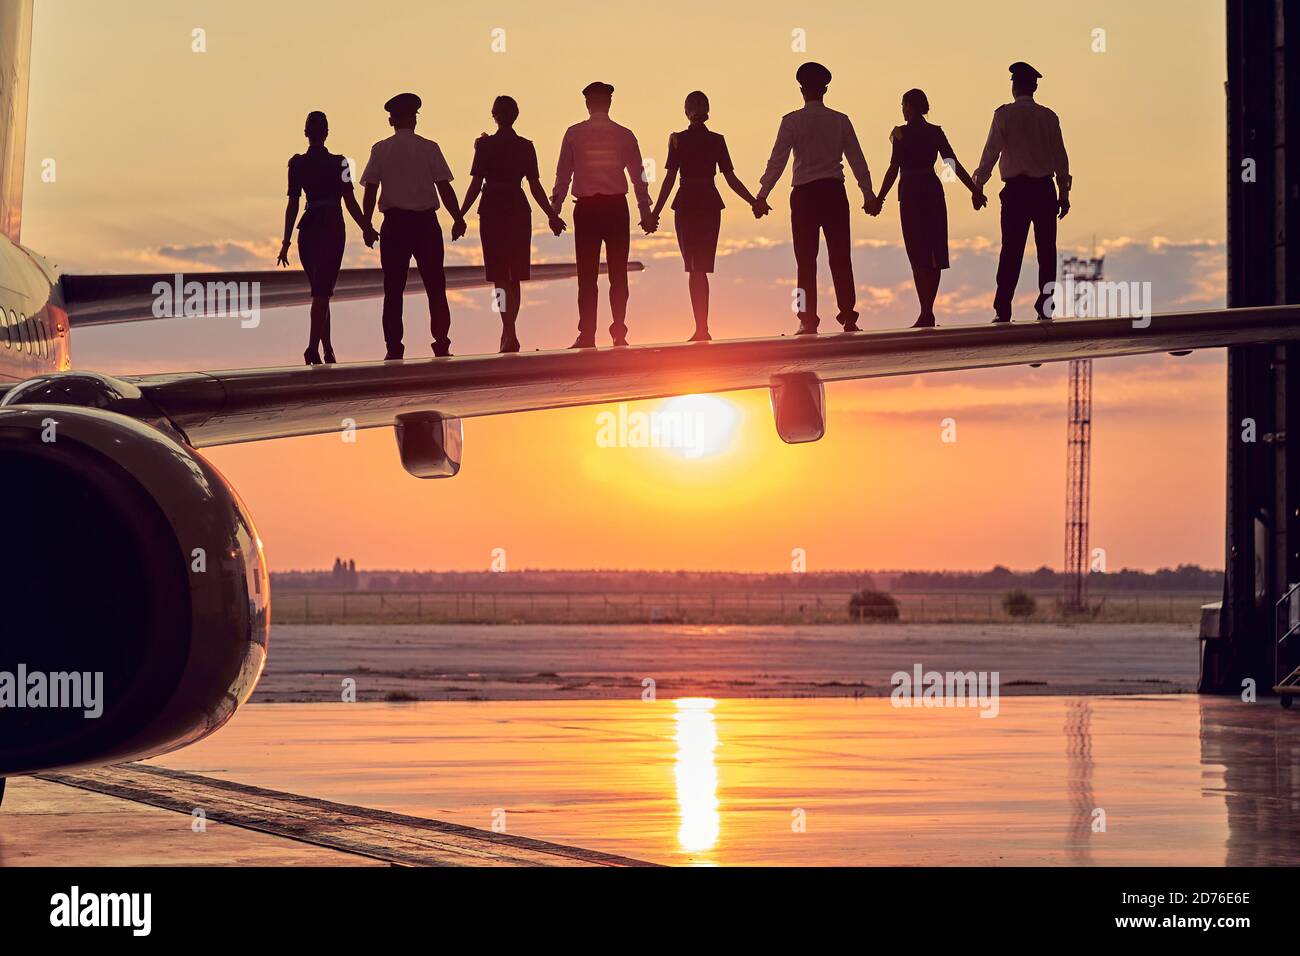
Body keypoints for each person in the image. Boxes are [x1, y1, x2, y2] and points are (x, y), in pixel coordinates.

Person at [755, 62, 876, 335]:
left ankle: (807, 318)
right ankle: (848, 315)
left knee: (805, 260)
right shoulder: (840, 120)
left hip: (804, 195)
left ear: (801, 90)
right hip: (834, 192)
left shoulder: (792, 121)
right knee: (840, 256)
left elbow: (777, 161)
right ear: (825, 89)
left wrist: (762, 195)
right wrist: (868, 194)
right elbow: (857, 159)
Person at [359, 92, 467, 359]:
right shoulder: (429, 148)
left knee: (393, 289)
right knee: (435, 286)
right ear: (414, 120)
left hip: (394, 225)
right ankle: (441, 342)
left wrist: (366, 224)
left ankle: (394, 347)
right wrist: (457, 217)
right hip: (425, 224)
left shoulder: (380, 149)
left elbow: (370, 189)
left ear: (391, 121)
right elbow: (444, 186)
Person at [551, 81, 656, 349]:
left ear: (587, 104)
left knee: (587, 275)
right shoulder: (625, 135)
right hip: (616, 209)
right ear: (609, 103)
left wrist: (555, 209)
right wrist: (646, 211)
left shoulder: (574, 134)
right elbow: (639, 177)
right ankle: (618, 330)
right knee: (618, 273)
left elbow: (563, 175)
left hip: (586, 210)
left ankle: (587, 334)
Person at [650, 91, 761, 342]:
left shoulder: (677, 139)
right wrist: (754, 201)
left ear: (686, 110)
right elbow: (730, 178)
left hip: (688, 201)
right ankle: (702, 327)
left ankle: (701, 328)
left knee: (694, 269)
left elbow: (669, 179)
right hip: (708, 202)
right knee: (699, 267)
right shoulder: (717, 140)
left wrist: (654, 214)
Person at [459, 96, 566, 353]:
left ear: (494, 115)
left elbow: (475, 185)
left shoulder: (484, 146)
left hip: (494, 207)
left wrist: (459, 214)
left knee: (499, 276)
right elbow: (535, 186)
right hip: (517, 207)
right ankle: (510, 331)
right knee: (514, 275)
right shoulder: (525, 146)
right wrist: (551, 214)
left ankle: (509, 330)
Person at [873, 89, 987, 328]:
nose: (902, 110)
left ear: (910, 107)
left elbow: (893, 169)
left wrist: (879, 199)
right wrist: (974, 190)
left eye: (903, 105)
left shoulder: (900, 133)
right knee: (934, 253)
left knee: (917, 252)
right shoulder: (935, 132)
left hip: (911, 193)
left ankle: (926, 311)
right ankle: (928, 310)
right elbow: (952, 164)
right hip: (932, 191)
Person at [972, 62, 1072, 323]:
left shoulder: (1004, 115)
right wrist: (1064, 194)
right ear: (1035, 86)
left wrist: (978, 185)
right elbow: (1061, 159)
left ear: (1014, 86)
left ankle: (1003, 307)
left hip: (1016, 191)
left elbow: (990, 153)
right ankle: (1046, 305)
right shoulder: (1049, 117)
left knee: (1011, 250)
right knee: (1046, 250)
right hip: (1044, 190)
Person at [276, 111, 377, 364]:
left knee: (322, 291)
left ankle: (328, 348)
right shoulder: (341, 162)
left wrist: (286, 242)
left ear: (306, 133)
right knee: (322, 291)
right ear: (327, 133)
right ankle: (312, 348)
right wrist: (367, 226)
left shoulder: (296, 164)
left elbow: (292, 205)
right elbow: (351, 201)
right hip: (331, 226)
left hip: (308, 228)